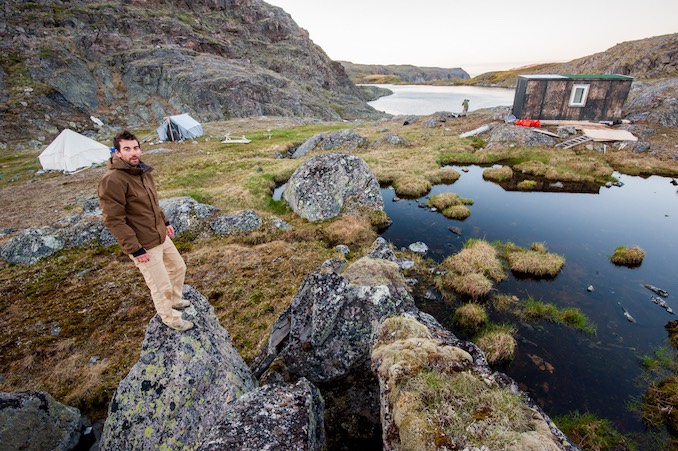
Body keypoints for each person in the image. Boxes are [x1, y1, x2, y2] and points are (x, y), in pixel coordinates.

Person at [98, 130, 193, 332]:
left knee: (178, 268)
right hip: (143, 244)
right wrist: (135, 248)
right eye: (127, 149)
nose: (133, 153)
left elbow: (153, 204)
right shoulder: (112, 180)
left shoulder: (142, 171)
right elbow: (114, 219)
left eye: (136, 148)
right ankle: (171, 319)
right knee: (161, 286)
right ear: (117, 152)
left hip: (158, 234)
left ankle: (175, 301)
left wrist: (165, 222)